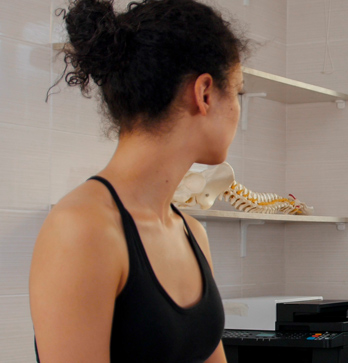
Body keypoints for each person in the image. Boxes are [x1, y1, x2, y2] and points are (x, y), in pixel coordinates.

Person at [29, 0, 248, 362]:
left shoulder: (192, 233)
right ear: (204, 92)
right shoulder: (81, 230)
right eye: (238, 92)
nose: (238, 110)